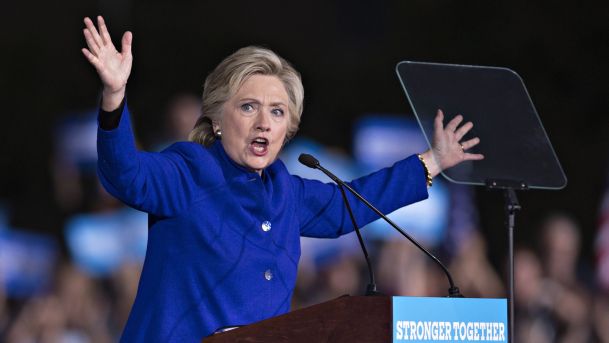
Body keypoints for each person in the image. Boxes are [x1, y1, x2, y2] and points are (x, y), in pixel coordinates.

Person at [81, 15, 484, 342]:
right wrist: (114, 98)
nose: (264, 123)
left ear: (288, 127)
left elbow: (350, 205)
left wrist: (431, 161)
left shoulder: (286, 191)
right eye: (249, 107)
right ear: (218, 120)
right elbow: (125, 175)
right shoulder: (190, 170)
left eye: (277, 112)